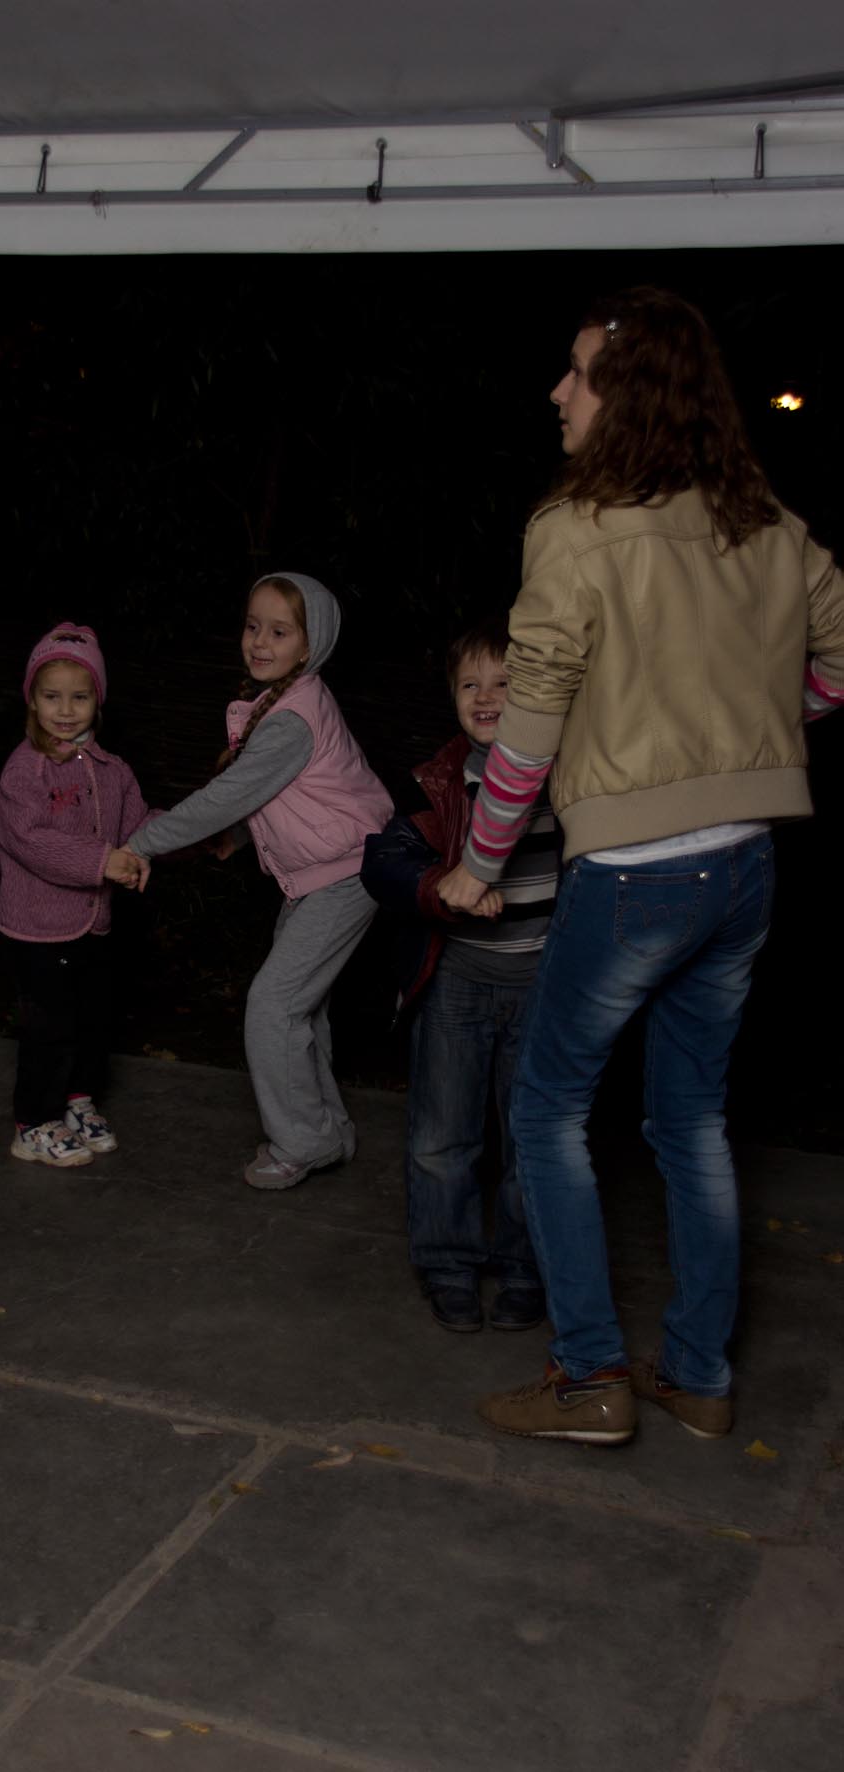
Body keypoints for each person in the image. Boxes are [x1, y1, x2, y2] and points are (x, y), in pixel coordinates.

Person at [437, 287, 844, 1445]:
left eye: (576, 372)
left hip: (634, 877)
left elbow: (528, 727)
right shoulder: (764, 524)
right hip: (742, 868)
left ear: (628, 397)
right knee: (691, 1119)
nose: (556, 392)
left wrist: (478, 860)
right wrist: (748, 739)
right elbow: (832, 669)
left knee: (545, 1111)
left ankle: (587, 1378)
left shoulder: (574, 528)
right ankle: (698, 1376)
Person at [123, 573, 392, 1189]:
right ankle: (328, 1130)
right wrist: (240, 838)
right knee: (303, 1010)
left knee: (274, 1005)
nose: (260, 642)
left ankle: (302, 1141)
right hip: (322, 873)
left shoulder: (291, 718)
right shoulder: (285, 699)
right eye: (252, 627)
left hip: (344, 875)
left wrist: (140, 843)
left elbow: (225, 795)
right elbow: (299, 794)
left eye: (279, 632)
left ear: (310, 645)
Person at [361, 615, 558, 1333]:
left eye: (504, 683)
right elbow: (383, 862)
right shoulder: (438, 779)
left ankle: (525, 1268)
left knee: (534, 1140)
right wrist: (438, 885)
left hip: (545, 987)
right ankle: (447, 1265)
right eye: (469, 684)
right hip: (456, 985)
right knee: (441, 1138)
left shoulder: (568, 777)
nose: (485, 696)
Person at [0, 623, 152, 1169]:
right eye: (51, 696)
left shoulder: (112, 770)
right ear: (32, 700)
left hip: (93, 923)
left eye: (79, 697)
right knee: (48, 1027)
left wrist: (195, 834)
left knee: (91, 1019)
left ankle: (76, 1100)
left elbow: (139, 826)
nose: (65, 710)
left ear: (97, 701)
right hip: (37, 930)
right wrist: (101, 862)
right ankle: (34, 1123)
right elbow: (28, 839)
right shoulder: (26, 769)